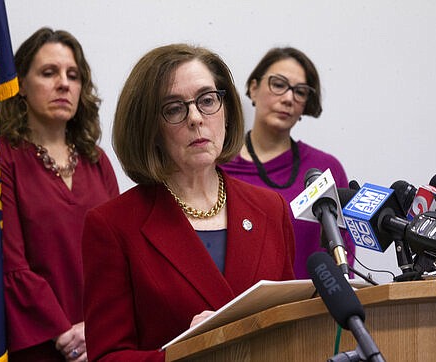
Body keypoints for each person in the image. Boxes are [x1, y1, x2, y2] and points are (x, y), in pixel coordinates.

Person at [81, 43, 295, 362]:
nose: (196, 118)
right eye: (174, 108)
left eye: (207, 100)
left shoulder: (270, 208)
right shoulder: (113, 226)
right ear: (150, 128)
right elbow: (107, 357)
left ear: (226, 111)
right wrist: (185, 354)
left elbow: (291, 329)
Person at [0, 27, 119, 362]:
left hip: (101, 338)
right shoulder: (3, 157)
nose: (64, 83)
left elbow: (118, 258)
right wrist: (64, 332)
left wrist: (95, 328)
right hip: (38, 342)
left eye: (73, 75)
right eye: (48, 73)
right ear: (20, 84)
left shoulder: (97, 160)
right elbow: (11, 262)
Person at [220, 47, 353, 279]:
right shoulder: (217, 165)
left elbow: (344, 255)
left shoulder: (325, 169)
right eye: (279, 85)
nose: (289, 98)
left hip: (311, 308)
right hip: (239, 311)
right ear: (253, 88)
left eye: (300, 92)